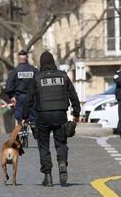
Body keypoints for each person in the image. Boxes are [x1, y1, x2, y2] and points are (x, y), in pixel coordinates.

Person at [23, 51, 80, 187]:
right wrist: (76, 113)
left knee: (43, 146)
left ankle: (47, 176)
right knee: (61, 143)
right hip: (60, 115)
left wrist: (24, 117)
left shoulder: (37, 78)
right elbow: (73, 95)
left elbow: (29, 99)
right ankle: (62, 163)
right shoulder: (63, 76)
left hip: (43, 116)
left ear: (41, 63)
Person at [6, 50, 39, 139]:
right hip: (32, 97)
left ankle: (22, 131)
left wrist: (11, 96)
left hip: (20, 97)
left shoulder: (15, 71)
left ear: (18, 59)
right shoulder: (34, 70)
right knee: (33, 114)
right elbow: (39, 82)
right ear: (26, 58)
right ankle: (33, 126)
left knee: (20, 116)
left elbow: (9, 86)